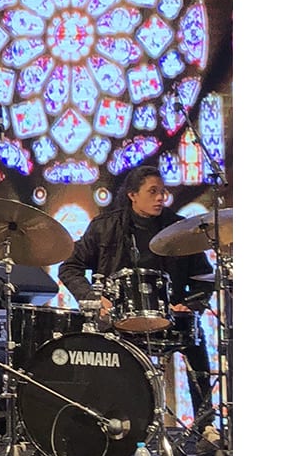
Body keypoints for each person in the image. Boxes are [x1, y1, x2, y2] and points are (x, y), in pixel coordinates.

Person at [57, 165, 217, 435]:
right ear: (132, 195)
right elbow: (69, 267)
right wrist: (93, 297)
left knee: (196, 339)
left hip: (169, 315)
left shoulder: (181, 229)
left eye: (162, 192)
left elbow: (204, 278)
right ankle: (105, 425)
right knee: (93, 347)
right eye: (152, 192)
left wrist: (190, 305)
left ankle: (206, 426)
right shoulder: (105, 226)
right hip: (118, 319)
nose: (160, 198)